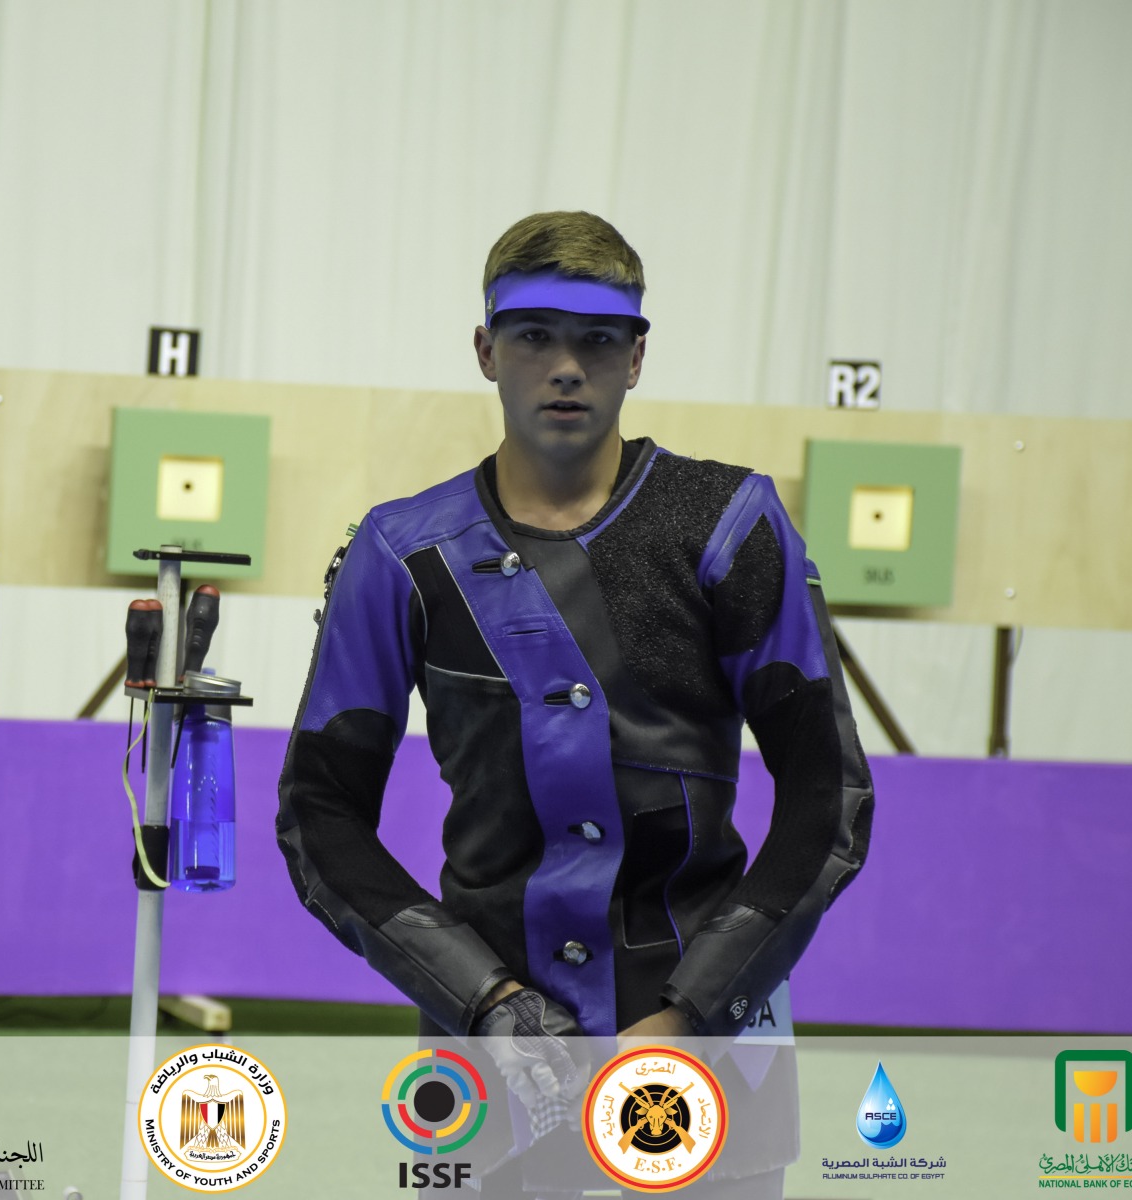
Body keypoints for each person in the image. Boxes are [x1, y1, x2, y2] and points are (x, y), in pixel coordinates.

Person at [276, 211, 873, 1196]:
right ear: (486, 351)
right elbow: (318, 813)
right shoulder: (399, 552)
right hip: (489, 1058)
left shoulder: (729, 525)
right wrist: (486, 1002)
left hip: (711, 1053)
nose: (565, 367)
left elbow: (828, 796)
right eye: (534, 337)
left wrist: (692, 1015)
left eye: (597, 340)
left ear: (635, 357)